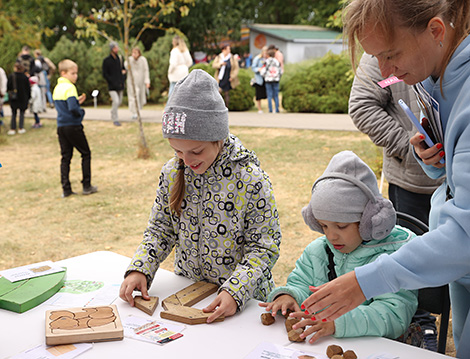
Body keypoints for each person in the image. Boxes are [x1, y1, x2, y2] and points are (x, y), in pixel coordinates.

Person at [300, 1, 470, 357]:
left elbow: (466, 235)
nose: (384, 70)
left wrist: (366, 283)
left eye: (390, 55)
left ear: (436, 30)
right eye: (374, 56)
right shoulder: (432, 69)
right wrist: (439, 164)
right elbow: (367, 97)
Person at [119, 69, 281, 323]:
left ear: (218, 136)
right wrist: (140, 268)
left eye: (196, 150)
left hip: (243, 304)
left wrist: (235, 291)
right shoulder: (173, 172)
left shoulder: (251, 179)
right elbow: (161, 230)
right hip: (188, 291)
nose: (187, 160)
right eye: (177, 151)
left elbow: (263, 248)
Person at [260, 150, 417, 344]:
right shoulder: (318, 251)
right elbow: (300, 284)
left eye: (341, 226)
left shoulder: (393, 259)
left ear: (368, 221)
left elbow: (393, 316)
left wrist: (338, 323)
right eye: (323, 225)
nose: (331, 235)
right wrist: (289, 295)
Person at [349, 53, 444, 350]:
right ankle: (422, 325)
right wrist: (408, 147)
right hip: (411, 183)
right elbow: (363, 105)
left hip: (457, 185)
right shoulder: (380, 55)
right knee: (411, 255)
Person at [53, 59, 97, 198]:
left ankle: (66, 188)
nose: (75, 76)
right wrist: (81, 111)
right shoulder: (70, 88)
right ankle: (86, 185)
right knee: (86, 153)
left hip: (61, 126)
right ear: (63, 73)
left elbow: (65, 107)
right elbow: (73, 108)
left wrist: (75, 102)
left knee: (66, 157)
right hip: (73, 126)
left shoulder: (57, 88)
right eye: (73, 73)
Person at [102, 41, 126, 126]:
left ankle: (113, 111)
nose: (117, 49)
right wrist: (111, 80)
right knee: (115, 101)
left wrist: (123, 77)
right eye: (115, 48)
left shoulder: (120, 59)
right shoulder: (106, 61)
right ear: (112, 49)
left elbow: (123, 70)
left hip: (120, 84)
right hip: (112, 86)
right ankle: (115, 119)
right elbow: (105, 74)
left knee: (119, 102)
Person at [125, 47, 150, 119]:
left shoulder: (143, 60)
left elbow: (146, 70)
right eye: (133, 53)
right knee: (133, 96)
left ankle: (137, 111)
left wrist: (147, 81)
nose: (134, 54)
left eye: (135, 53)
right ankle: (134, 112)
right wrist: (128, 59)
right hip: (131, 82)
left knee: (140, 96)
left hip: (141, 82)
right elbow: (126, 66)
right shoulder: (130, 60)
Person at [7, 62, 30, 135]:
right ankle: (21, 127)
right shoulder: (25, 77)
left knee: (13, 113)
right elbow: (28, 89)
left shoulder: (11, 76)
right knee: (22, 113)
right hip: (23, 98)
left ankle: (13, 128)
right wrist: (29, 97)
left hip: (14, 98)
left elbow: (8, 87)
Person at [260, 48, 282, 113]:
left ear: (268, 55)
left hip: (268, 80)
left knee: (269, 95)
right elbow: (280, 71)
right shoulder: (277, 62)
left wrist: (264, 76)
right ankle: (277, 109)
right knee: (276, 95)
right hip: (276, 79)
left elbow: (263, 71)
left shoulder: (266, 62)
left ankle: (270, 109)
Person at [251, 46, 268, 114]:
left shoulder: (268, 59)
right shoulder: (257, 58)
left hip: (266, 78)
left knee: (267, 94)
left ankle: (269, 108)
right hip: (259, 78)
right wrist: (259, 69)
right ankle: (259, 109)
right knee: (259, 94)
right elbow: (253, 67)